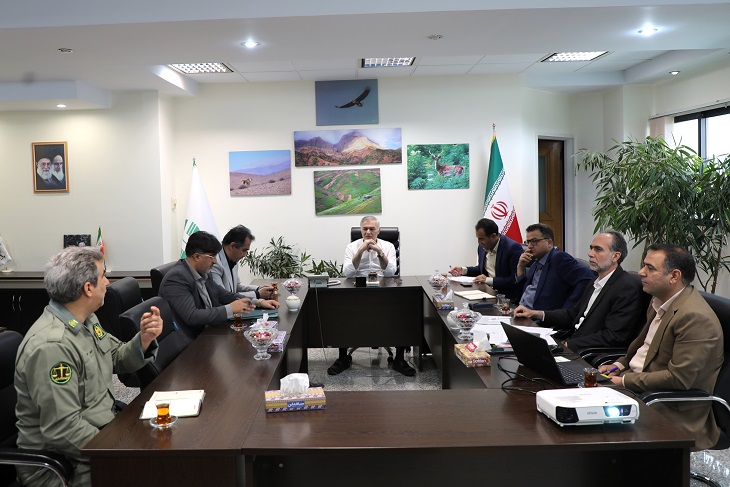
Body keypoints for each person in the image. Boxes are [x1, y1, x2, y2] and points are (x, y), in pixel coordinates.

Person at [14, 246, 162, 487]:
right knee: (162, 470)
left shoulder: (85, 320)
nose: (108, 282)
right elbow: (63, 429)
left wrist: (143, 340)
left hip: (98, 436)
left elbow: (115, 356)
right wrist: (119, 450)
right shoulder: (52, 346)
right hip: (65, 465)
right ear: (88, 288)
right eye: (103, 275)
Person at [599, 244, 723, 450]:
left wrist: (623, 381)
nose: (641, 272)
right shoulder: (659, 300)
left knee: (590, 425)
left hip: (667, 406)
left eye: (650, 268)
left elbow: (679, 379)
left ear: (674, 276)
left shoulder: (694, 317)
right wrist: (619, 365)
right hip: (640, 387)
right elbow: (643, 346)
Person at [514, 230, 644, 350]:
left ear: (615, 256)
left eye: (598, 250)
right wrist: (535, 314)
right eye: (591, 248)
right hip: (569, 340)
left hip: (585, 353)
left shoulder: (626, 288)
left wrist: (568, 345)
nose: (590, 254)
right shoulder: (595, 282)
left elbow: (612, 336)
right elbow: (573, 315)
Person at [330, 216, 415, 377]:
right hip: (358, 290)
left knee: (403, 309)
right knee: (340, 310)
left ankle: (399, 360)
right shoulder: (352, 247)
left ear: (378, 231)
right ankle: (343, 358)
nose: (368, 232)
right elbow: (348, 273)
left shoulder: (388, 246)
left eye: (372, 229)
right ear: (361, 230)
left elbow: (390, 272)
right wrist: (360, 251)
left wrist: (380, 252)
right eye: (365, 229)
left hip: (383, 289)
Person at [159, 231, 255, 339]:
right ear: (197, 257)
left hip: (209, 331)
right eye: (212, 256)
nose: (215, 261)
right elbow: (192, 316)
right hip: (192, 340)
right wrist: (230, 309)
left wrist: (255, 301)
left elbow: (223, 295)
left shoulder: (204, 272)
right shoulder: (177, 278)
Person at [516, 223, 594, 310]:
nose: (530, 246)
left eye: (534, 241)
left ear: (549, 243)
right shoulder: (535, 263)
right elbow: (520, 293)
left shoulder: (559, 258)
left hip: (540, 316)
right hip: (522, 311)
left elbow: (588, 278)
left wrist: (568, 310)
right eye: (528, 242)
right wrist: (520, 267)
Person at [448, 218, 523, 302]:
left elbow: (514, 280)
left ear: (493, 236)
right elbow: (481, 269)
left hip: (505, 298)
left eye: (481, 239)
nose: (479, 242)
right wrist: (463, 270)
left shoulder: (512, 248)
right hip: (486, 292)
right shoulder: (482, 247)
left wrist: (487, 280)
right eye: (478, 238)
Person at [209, 225, 279, 310]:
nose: (245, 255)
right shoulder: (215, 263)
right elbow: (224, 296)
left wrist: (258, 289)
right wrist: (257, 294)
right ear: (232, 246)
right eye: (244, 250)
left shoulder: (233, 258)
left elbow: (237, 286)